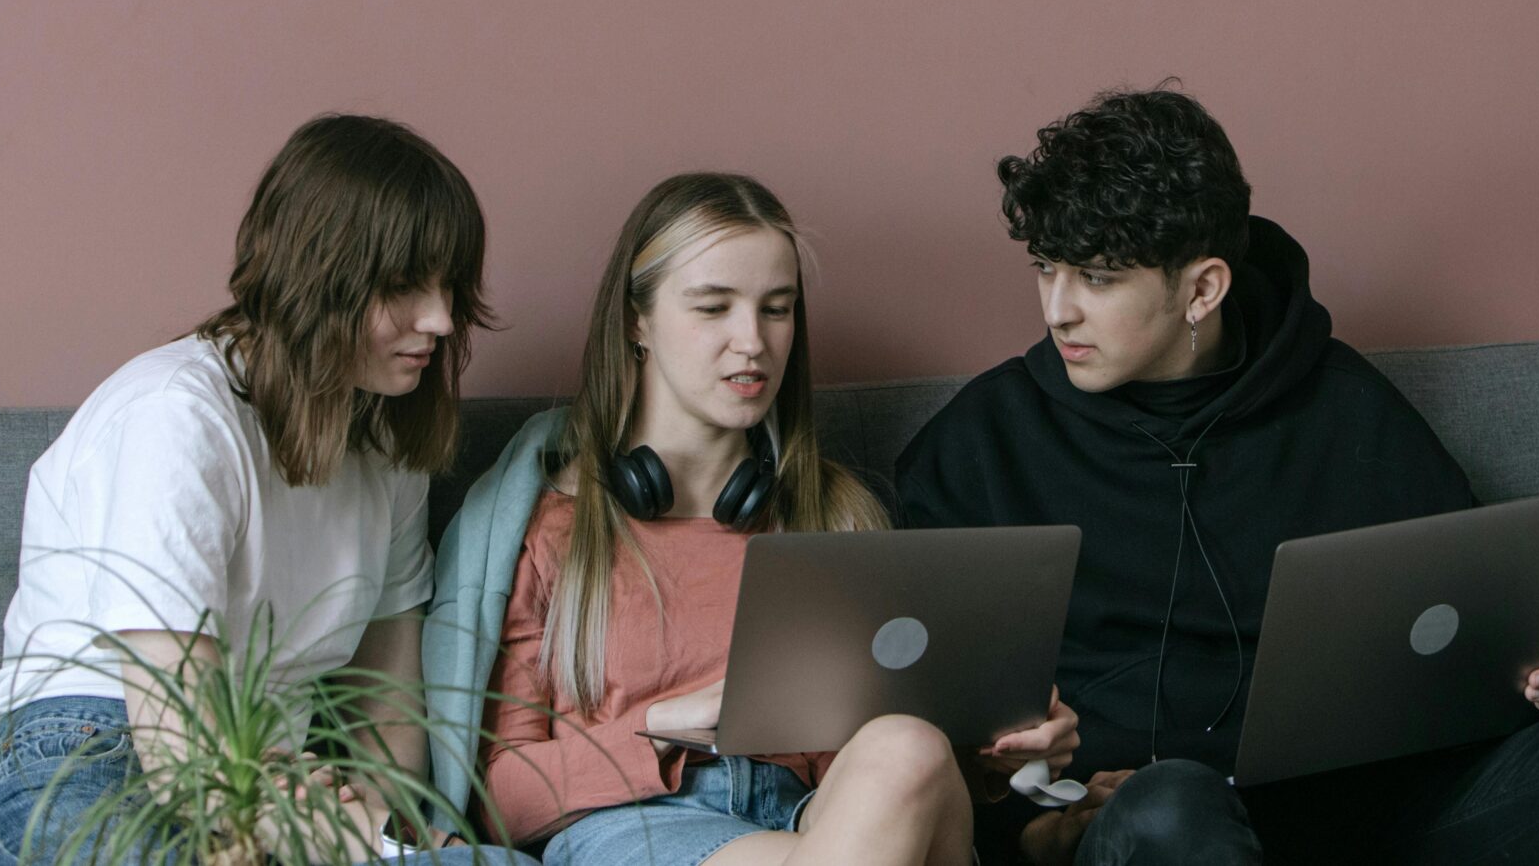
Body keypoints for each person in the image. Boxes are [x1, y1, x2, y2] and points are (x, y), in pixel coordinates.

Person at [894, 87, 1539, 866]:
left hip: (1367, 812)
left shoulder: (1345, 406)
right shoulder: (978, 446)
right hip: (1151, 825)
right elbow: (924, 742)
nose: (1057, 308)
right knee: (1171, 805)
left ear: (1204, 288)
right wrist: (1036, 816)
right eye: (1046, 267)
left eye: (1098, 277)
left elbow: (1470, 641)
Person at [429, 172, 1079, 866]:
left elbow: (912, 757)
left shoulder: (837, 514)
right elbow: (494, 797)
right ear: (635, 320)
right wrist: (656, 726)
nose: (753, 341)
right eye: (714, 307)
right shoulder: (549, 526)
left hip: (822, 811)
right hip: (637, 826)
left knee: (908, 746)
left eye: (777, 308)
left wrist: (1003, 745)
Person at [0, 113, 525, 866]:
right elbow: (177, 736)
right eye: (402, 286)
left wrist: (400, 833)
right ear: (317, 276)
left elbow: (384, 708)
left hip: (274, 778)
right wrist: (306, 830)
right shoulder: (177, 415)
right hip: (97, 752)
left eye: (449, 285)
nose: (442, 319)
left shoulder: (389, 444)